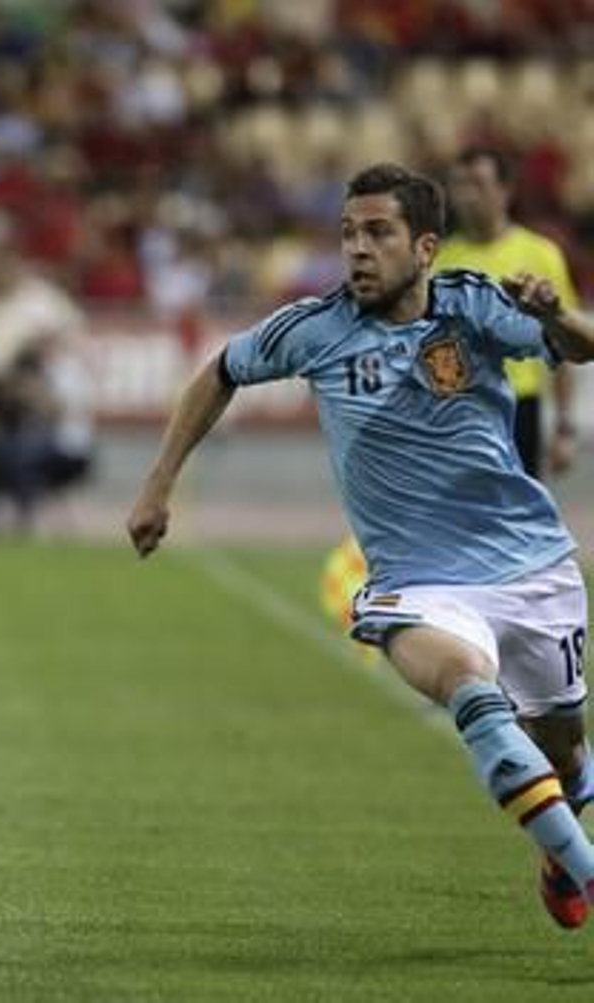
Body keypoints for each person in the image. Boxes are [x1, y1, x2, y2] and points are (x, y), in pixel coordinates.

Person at [127, 163, 594, 929]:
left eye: (378, 232)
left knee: (566, 751)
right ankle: (584, 866)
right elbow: (218, 371)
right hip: (418, 584)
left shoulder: (474, 306)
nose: (357, 250)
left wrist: (555, 316)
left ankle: (557, 848)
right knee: (473, 697)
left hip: (531, 567)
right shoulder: (315, 328)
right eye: (348, 233)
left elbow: (580, 348)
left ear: (426, 246)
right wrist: (157, 483)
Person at [437, 146, 580, 479]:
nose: (468, 195)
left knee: (518, 522)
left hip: (520, 409)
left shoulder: (541, 254)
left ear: (505, 189)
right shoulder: (439, 263)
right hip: (461, 411)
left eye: (478, 184)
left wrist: (564, 428)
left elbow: (564, 343)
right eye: (459, 185)